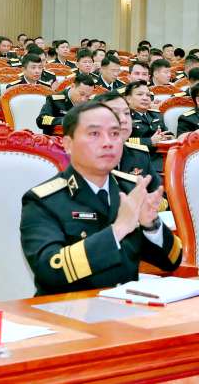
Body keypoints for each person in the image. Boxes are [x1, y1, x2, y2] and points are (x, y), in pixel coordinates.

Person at [20, 101, 181, 294]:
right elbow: (50, 270)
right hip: (67, 307)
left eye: (114, 133)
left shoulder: (129, 189)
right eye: (94, 134)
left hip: (126, 306)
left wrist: (151, 225)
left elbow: (172, 261)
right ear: (68, 144)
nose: (108, 143)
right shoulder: (43, 200)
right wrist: (118, 229)